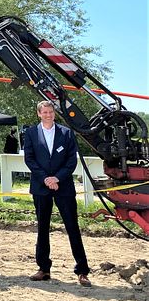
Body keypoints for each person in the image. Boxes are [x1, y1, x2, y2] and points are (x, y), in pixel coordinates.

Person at [23, 101, 91, 287]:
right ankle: (43, 269)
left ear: (55, 113)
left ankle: (82, 271)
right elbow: (29, 159)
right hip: (40, 186)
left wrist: (57, 178)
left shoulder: (66, 133)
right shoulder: (30, 133)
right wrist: (45, 179)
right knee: (42, 228)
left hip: (64, 187)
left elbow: (71, 160)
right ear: (39, 114)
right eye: (44, 112)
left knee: (72, 227)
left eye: (51, 111)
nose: (48, 115)